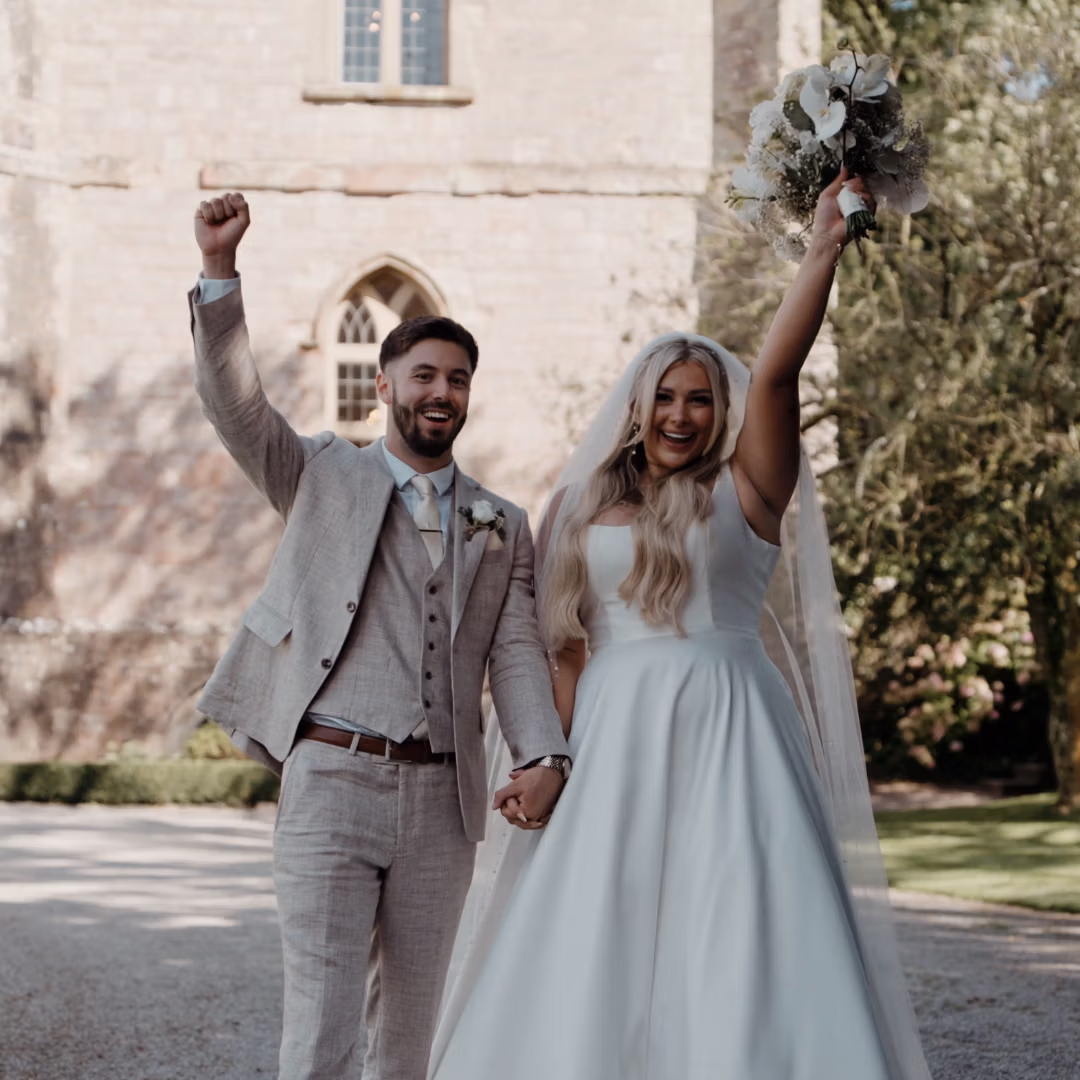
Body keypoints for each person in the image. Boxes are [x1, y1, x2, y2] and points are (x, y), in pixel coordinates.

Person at [428, 170, 932, 1080]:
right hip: (613, 737)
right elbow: (567, 651)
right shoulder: (577, 505)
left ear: (720, 411)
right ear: (639, 405)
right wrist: (546, 765)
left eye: (700, 399)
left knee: (741, 919)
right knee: (598, 929)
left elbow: (777, 370)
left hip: (734, 728)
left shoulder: (750, 490)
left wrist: (821, 249)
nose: (681, 414)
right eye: (666, 396)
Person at [188, 192, 571, 1080]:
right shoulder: (320, 475)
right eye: (425, 375)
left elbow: (515, 650)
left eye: (458, 379)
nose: (442, 392)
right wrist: (218, 273)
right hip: (331, 780)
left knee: (410, 1038)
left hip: (444, 801)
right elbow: (234, 404)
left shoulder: (500, 521)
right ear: (384, 385)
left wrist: (545, 755)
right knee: (320, 1029)